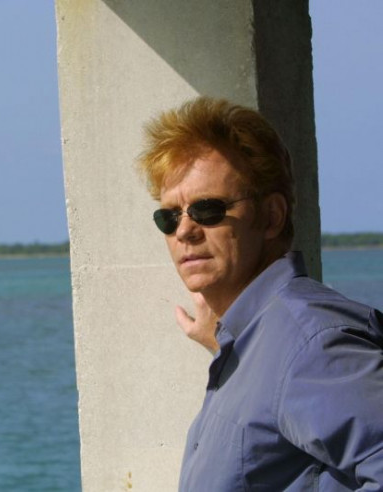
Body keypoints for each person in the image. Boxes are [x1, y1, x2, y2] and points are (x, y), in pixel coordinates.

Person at [138, 96, 383, 490]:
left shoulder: (310, 345)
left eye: (208, 209)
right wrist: (224, 345)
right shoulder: (258, 343)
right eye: (169, 216)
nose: (184, 231)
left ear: (271, 217)